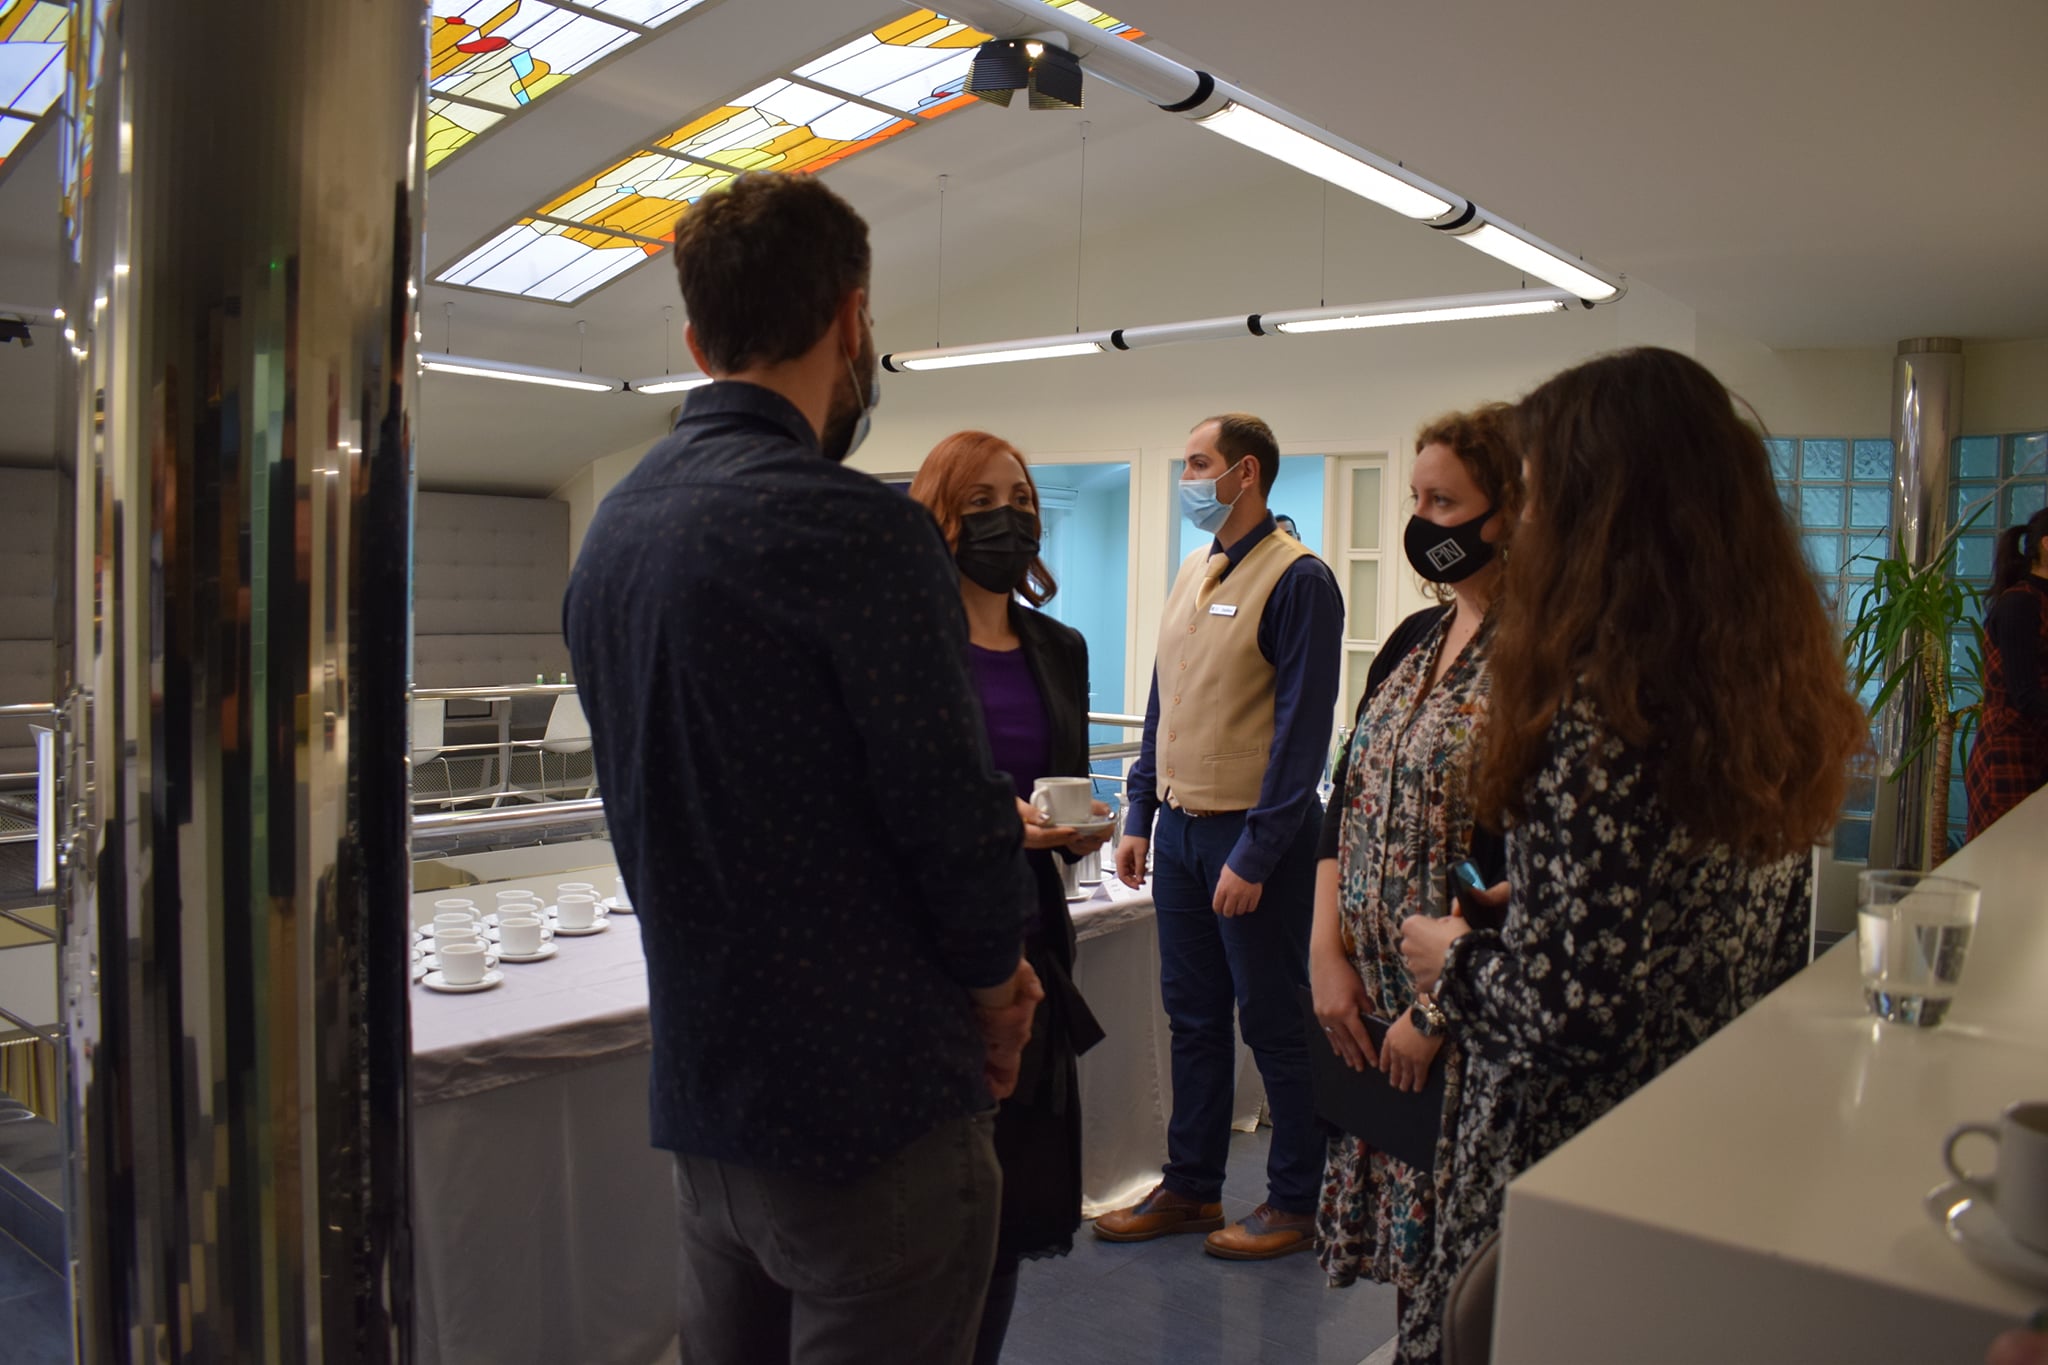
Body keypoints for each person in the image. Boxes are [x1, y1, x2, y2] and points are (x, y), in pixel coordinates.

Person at [562, 172, 1042, 1365]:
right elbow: (951, 819)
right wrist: (999, 991)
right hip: (872, 1115)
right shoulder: (856, 532)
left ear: (695, 340)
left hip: (710, 1111)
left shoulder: (612, 533)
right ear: (850, 318)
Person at [1395, 348, 1866, 1365]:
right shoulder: (1768, 687)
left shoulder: (1591, 706)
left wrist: (1453, 960)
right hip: (1691, 1125)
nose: (1517, 525)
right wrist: (1549, 903)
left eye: (1535, 496)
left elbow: (1575, 1015)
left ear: (1601, 509)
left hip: (1565, 1154)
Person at [1098, 413, 1344, 1259]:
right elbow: (1163, 698)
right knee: (1193, 1018)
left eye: (1199, 464)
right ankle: (1192, 1186)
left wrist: (1258, 851)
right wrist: (1139, 810)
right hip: (1181, 829)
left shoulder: (1300, 579)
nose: (1187, 480)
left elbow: (1303, 733)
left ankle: (1296, 1199)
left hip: (1253, 836)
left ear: (1246, 473)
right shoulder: (1193, 569)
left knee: (1274, 1019)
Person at [906, 431, 1110, 1365]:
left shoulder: (1057, 648)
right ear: (940, 515)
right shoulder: (903, 645)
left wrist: (1074, 826)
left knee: (1005, 1206)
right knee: (926, 1217)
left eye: (1022, 500)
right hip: (926, 961)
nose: (1010, 518)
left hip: (1031, 943)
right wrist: (993, 822)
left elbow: (1057, 781)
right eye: (982, 501)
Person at [1310, 407, 1520, 1315]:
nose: (1422, 520)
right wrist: (1325, 954)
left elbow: (1518, 865)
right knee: (1411, 1292)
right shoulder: (1409, 642)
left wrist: (1437, 1010)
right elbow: (1344, 798)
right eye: (1416, 498)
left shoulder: (1542, 662)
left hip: (1460, 1020)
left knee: (1460, 1288)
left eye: (1445, 501)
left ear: (1509, 512)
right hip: (1369, 1007)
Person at [1965, 506, 2048, 839]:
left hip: (2040, 748)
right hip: (2009, 751)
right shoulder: (2020, 604)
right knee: (2003, 854)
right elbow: (2025, 694)